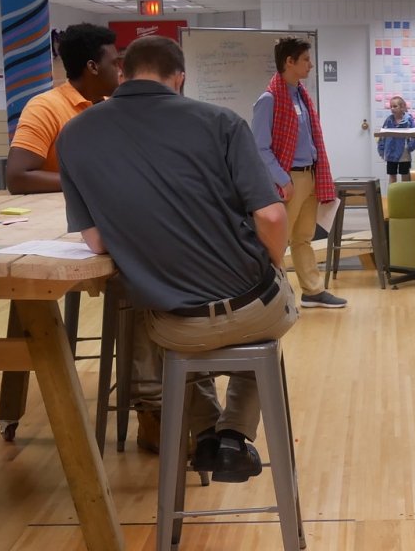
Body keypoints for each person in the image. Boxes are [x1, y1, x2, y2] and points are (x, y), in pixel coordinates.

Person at [59, 36, 297, 478]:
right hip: (251, 308)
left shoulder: (74, 134)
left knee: (182, 335)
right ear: (180, 77)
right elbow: (269, 214)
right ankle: (234, 436)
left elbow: (96, 243)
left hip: (173, 321)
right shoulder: (221, 122)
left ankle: (206, 432)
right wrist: (274, 261)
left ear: (123, 74)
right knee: (269, 320)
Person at [253, 37, 347, 309]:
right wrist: (283, 181)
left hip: (309, 175)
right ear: (289, 62)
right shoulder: (269, 100)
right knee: (277, 241)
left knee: (304, 237)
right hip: (289, 179)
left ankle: (313, 291)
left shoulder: (301, 96)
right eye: (305, 59)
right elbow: (260, 147)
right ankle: (273, 296)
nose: (310, 64)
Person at [6, 23, 121, 194]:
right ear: (93, 67)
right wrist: (92, 184)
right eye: (114, 64)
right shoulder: (45, 108)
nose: (120, 71)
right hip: (58, 214)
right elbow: (17, 178)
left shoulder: (112, 107)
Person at [377, 95, 415, 183]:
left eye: (395, 106)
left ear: (402, 107)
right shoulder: (389, 120)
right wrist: (381, 149)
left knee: (405, 174)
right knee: (392, 175)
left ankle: (405, 195)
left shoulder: (408, 120)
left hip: (404, 153)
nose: (392, 108)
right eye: (391, 106)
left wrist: (410, 147)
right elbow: (382, 135)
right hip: (391, 153)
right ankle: (392, 196)